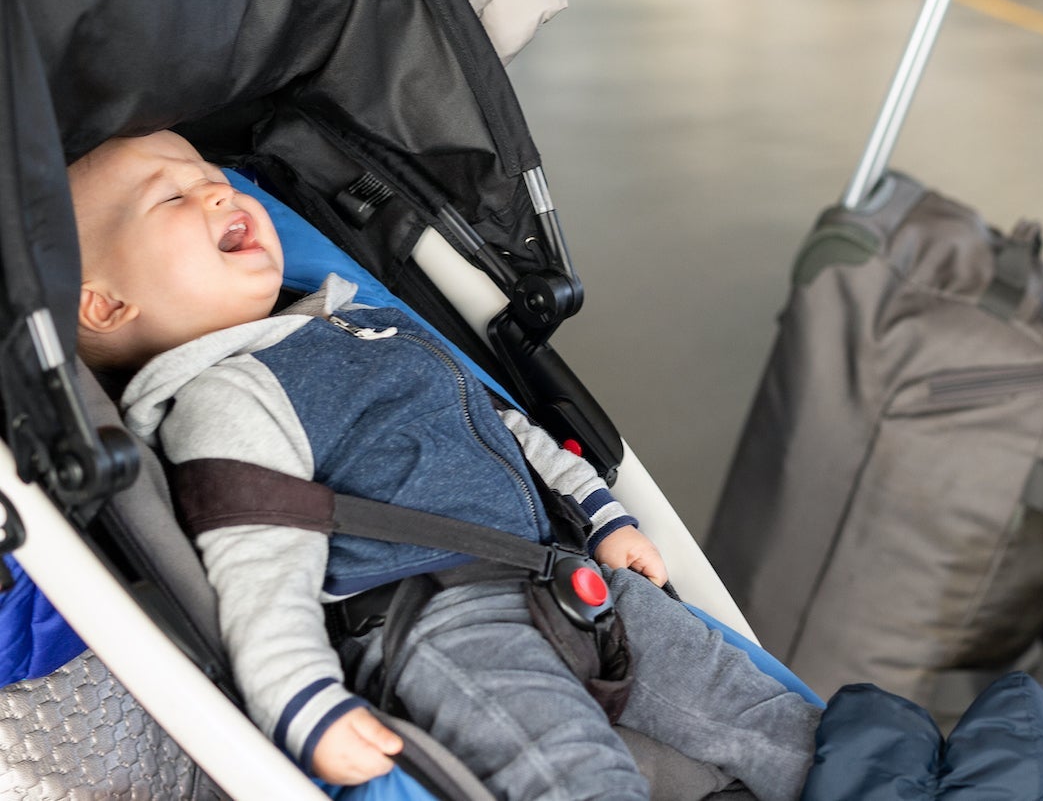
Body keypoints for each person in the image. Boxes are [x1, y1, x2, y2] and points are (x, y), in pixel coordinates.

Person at [69, 130, 822, 800]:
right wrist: (301, 699)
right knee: (570, 774)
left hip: (564, 576)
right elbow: (262, 567)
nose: (211, 187)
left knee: (775, 725)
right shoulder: (226, 393)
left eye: (212, 175)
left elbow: (502, 427)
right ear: (103, 307)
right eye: (168, 194)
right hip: (443, 626)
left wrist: (600, 510)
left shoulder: (362, 323)